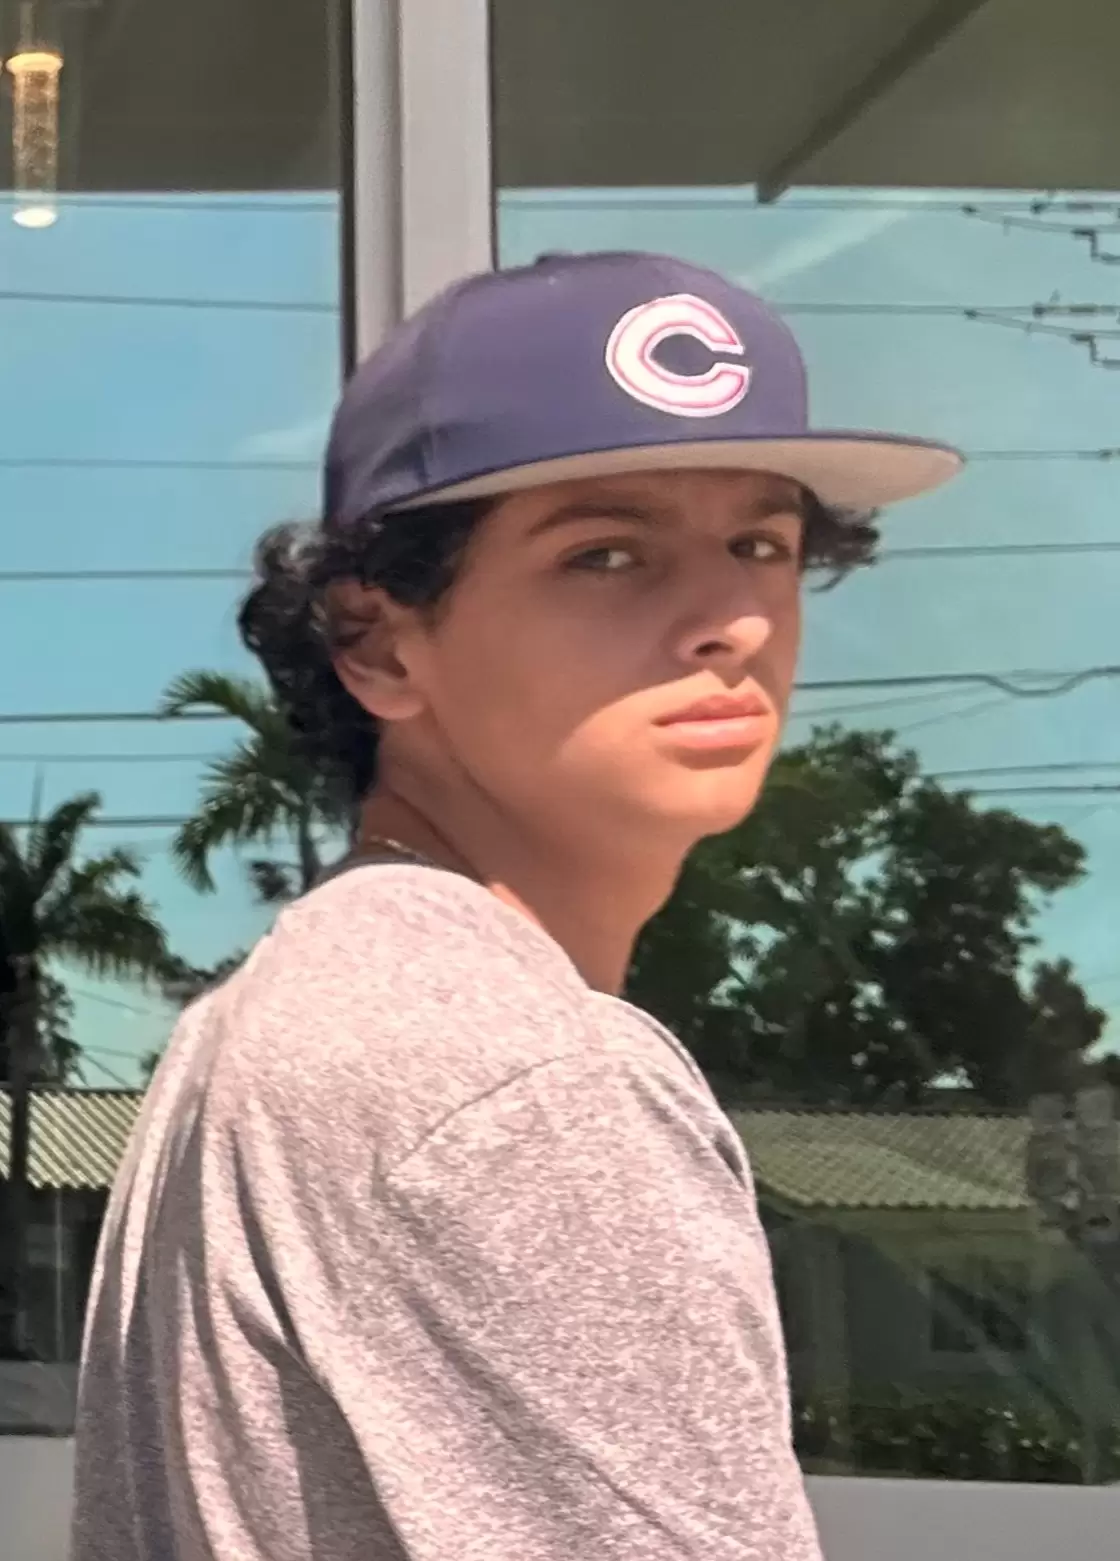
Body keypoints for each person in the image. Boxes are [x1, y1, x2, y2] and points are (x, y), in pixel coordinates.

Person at [71, 251, 961, 1560]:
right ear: (379, 642)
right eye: (607, 553)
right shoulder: (523, 1084)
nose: (733, 620)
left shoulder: (291, 1009)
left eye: (761, 544)